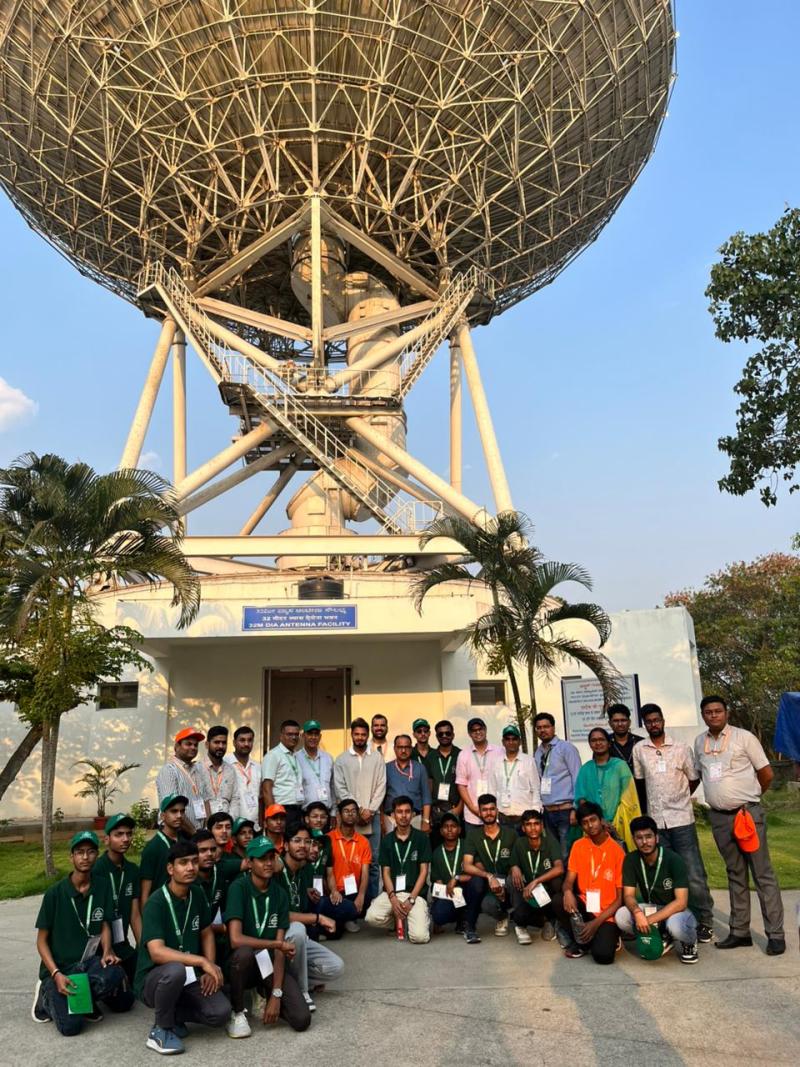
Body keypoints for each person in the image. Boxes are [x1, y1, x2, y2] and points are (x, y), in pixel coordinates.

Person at [694, 695, 785, 955]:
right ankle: (740, 931)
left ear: (727, 713)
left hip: (746, 815)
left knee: (762, 874)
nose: (713, 715)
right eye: (708, 712)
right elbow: (700, 775)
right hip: (719, 817)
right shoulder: (700, 742)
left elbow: (766, 773)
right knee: (735, 873)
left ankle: (776, 934)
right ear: (703, 715)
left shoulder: (744, 738)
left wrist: (751, 798)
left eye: (718, 711)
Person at [134, 839, 230, 1054]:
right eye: (183, 863)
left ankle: (174, 1014)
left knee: (220, 1013)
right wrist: (202, 961)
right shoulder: (156, 902)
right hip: (155, 978)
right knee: (175, 969)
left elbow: (206, 932)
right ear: (170, 869)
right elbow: (157, 953)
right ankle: (160, 1030)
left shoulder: (197, 893)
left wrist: (210, 966)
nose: (190, 868)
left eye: (194, 862)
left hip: (189, 975)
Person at [32, 830, 133, 1032]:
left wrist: (107, 951)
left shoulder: (102, 886)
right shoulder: (55, 894)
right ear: (71, 857)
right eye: (80, 852)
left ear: (97, 855)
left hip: (88, 964)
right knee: (71, 1027)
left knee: (115, 973)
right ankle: (45, 996)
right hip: (61, 968)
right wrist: (55, 973)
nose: (85, 857)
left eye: (91, 851)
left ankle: (84, 999)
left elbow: (104, 923)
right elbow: (41, 941)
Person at [633, 703, 715, 942]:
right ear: (645, 724)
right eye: (649, 721)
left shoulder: (681, 748)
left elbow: (693, 778)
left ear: (663, 720)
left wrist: (681, 797)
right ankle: (672, 922)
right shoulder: (640, 750)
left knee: (693, 873)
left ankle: (705, 920)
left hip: (681, 820)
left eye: (657, 720)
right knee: (665, 875)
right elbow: (640, 783)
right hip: (657, 824)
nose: (654, 724)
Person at [225, 837, 311, 1038]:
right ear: (250, 862)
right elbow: (235, 939)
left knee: (301, 1019)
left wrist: (276, 994)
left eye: (272, 858)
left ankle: (264, 992)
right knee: (244, 953)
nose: (269, 863)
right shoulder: (239, 888)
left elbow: (279, 951)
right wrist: (275, 944)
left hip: (267, 962)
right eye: (262, 859)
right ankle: (237, 1012)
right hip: (242, 963)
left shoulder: (279, 894)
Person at [275, 826, 344, 1011]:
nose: (303, 845)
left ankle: (289, 981)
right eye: (297, 841)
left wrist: (306, 891)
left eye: (307, 841)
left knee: (336, 967)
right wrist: (318, 918)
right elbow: (282, 915)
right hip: (276, 936)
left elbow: (295, 893)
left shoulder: (304, 869)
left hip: (298, 939)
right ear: (286, 845)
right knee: (298, 928)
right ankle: (301, 990)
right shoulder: (276, 869)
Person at [616, 815, 699, 964]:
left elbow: (681, 902)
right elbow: (628, 895)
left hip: (677, 911)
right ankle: (660, 935)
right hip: (652, 907)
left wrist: (647, 920)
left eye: (649, 836)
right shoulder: (631, 859)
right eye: (639, 838)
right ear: (634, 840)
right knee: (621, 916)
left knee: (676, 926)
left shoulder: (673, 859)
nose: (645, 842)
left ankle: (689, 941)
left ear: (657, 838)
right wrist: (637, 913)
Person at [562, 801, 625, 964]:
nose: (590, 825)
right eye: (585, 822)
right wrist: (567, 891)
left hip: (607, 913)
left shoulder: (617, 851)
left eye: (593, 820)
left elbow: (620, 899)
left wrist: (595, 924)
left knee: (603, 957)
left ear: (601, 820)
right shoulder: (578, 846)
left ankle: (606, 937)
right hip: (585, 904)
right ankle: (582, 941)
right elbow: (569, 880)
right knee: (558, 901)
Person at [366, 795, 432, 943]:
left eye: (407, 811)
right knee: (371, 917)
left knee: (420, 937)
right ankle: (397, 921)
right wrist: (393, 898)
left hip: (415, 894)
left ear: (413, 814)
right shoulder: (387, 840)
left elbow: (424, 872)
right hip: (392, 893)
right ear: (393, 815)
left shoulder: (421, 838)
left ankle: (420, 917)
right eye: (399, 812)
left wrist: (411, 899)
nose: (403, 816)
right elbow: (385, 873)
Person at [333, 718, 386, 899]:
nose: (360, 737)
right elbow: (340, 788)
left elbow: (381, 786)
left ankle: (371, 902)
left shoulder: (377, 758)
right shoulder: (341, 760)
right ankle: (352, 902)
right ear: (352, 735)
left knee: (373, 862)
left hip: (372, 817)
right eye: (357, 734)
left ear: (367, 735)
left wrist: (370, 810)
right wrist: (359, 810)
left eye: (363, 734)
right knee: (350, 860)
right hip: (350, 818)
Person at [461, 794, 518, 944]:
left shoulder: (511, 834)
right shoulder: (473, 835)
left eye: (492, 809)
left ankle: (521, 922)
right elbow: (467, 865)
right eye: (485, 810)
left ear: (497, 810)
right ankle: (472, 927)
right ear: (479, 813)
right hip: (489, 884)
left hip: (508, 883)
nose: (489, 813)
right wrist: (489, 876)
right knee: (477, 884)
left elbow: (518, 860)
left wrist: (512, 873)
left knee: (516, 878)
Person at [94, 813, 141, 985]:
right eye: (119, 834)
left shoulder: (132, 870)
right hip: (97, 949)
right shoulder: (96, 869)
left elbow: (135, 915)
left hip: (122, 944)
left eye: (128, 834)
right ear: (107, 839)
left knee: (144, 975)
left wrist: (144, 948)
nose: (125, 839)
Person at [507, 809, 567, 946]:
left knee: (557, 881)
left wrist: (536, 881)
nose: (533, 828)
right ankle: (542, 920)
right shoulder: (520, 843)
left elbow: (559, 868)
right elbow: (512, 864)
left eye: (536, 824)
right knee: (518, 915)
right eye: (528, 824)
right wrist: (514, 867)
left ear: (542, 826)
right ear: (523, 828)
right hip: (530, 892)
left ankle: (552, 919)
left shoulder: (550, 842)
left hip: (546, 890)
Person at [575, 727, 641, 849]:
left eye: (601, 739)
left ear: (609, 743)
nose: (598, 743)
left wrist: (613, 823)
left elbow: (629, 798)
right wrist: (599, 821)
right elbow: (581, 799)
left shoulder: (620, 766)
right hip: (593, 826)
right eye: (594, 740)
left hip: (619, 825)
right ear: (590, 744)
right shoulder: (585, 769)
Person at [320, 798, 372, 937]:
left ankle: (346, 916)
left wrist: (361, 896)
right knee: (335, 933)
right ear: (339, 815)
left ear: (358, 815)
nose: (350, 814)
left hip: (353, 890)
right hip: (333, 891)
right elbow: (326, 872)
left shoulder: (363, 842)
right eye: (346, 811)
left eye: (354, 811)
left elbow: (365, 873)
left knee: (367, 902)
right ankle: (345, 917)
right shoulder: (328, 839)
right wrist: (333, 891)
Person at [533, 713, 582, 857]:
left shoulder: (566, 748)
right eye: (539, 728)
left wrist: (575, 808)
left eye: (546, 726)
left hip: (565, 811)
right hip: (547, 812)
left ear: (553, 727)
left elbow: (577, 777)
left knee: (566, 853)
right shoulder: (538, 753)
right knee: (553, 854)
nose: (543, 730)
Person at [155, 728, 213, 833]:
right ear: (177, 746)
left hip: (199, 832)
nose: (193, 747)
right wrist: (194, 833)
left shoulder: (198, 770)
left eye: (195, 745)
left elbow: (206, 800)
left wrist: (208, 829)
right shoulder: (169, 771)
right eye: (188, 744)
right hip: (178, 832)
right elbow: (171, 807)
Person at [488, 724, 541, 828]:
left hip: (524, 818)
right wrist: (495, 816)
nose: (511, 742)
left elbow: (536, 789)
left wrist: (535, 813)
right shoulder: (495, 762)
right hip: (502, 817)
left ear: (520, 741)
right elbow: (492, 790)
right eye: (507, 739)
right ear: (503, 742)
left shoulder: (529, 761)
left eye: (514, 739)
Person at [140, 794, 187, 907]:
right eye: (174, 811)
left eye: (182, 811)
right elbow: (145, 893)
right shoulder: (153, 847)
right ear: (163, 816)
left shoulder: (185, 842)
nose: (179, 815)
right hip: (161, 908)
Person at [456, 717, 503, 830]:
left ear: (485, 729)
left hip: (496, 814)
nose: (477, 732)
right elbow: (461, 784)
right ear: (469, 734)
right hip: (472, 816)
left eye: (480, 729)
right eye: (474, 730)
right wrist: (473, 808)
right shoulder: (464, 754)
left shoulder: (500, 751)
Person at [261, 720, 305, 834]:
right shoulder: (273, 755)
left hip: (296, 809)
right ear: (281, 735)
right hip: (281, 809)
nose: (293, 737)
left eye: (296, 734)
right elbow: (266, 788)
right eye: (289, 734)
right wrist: (273, 815)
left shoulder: (295, 755)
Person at [429, 812, 469, 932]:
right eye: (446, 826)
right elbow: (437, 881)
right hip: (448, 893)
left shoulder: (467, 846)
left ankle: (465, 919)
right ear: (441, 831)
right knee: (439, 914)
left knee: (474, 886)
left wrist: (456, 878)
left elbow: (475, 874)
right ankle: (457, 916)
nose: (450, 829)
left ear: (459, 830)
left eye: (453, 826)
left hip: (466, 890)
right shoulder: (437, 853)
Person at [426, 719, 463, 848]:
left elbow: (465, 785)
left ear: (453, 735)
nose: (444, 736)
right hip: (436, 812)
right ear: (436, 736)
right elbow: (428, 786)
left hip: (456, 810)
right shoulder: (430, 757)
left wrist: (459, 808)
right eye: (441, 734)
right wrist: (428, 813)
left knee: (457, 848)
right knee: (437, 848)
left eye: (448, 733)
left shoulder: (461, 755)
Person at [384, 734, 432, 832]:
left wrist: (426, 820)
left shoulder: (420, 768)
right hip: (391, 818)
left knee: (414, 842)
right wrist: (381, 819)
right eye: (400, 747)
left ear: (411, 748)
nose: (403, 750)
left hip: (414, 818)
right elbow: (380, 796)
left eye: (406, 747)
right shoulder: (386, 768)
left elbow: (426, 796)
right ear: (394, 749)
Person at [225, 725, 262, 829]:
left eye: (250, 740)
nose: (246, 744)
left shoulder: (257, 767)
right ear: (234, 742)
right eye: (242, 740)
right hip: (232, 825)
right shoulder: (225, 763)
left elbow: (260, 798)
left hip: (254, 826)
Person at [297, 719, 334, 813]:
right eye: (310, 734)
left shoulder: (328, 758)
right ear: (303, 735)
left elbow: (333, 786)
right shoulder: (295, 758)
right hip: (305, 813)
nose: (313, 737)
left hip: (326, 813)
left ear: (320, 737)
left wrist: (334, 812)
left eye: (316, 734)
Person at [203, 725, 237, 814]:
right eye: (216, 742)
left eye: (224, 743)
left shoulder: (230, 770)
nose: (221, 746)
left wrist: (230, 819)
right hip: (205, 821)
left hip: (226, 821)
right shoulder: (197, 769)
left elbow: (235, 799)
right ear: (207, 744)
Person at [606, 704, 645, 772]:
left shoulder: (641, 742)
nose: (620, 724)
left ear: (629, 722)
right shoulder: (604, 743)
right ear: (610, 723)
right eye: (616, 721)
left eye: (623, 720)